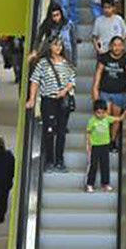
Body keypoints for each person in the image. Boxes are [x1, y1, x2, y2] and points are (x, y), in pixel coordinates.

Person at [26, 38, 75, 172]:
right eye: (55, 45)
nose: (58, 48)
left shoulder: (67, 64)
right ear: (50, 47)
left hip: (63, 102)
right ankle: (49, 160)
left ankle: (59, 160)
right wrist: (31, 99)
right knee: (49, 130)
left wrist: (64, 91)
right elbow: (35, 81)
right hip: (48, 101)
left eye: (60, 45)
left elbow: (72, 81)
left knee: (61, 131)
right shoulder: (43, 63)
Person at [93, 35, 126, 149]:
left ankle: (112, 140)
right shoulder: (104, 57)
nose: (117, 48)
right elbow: (99, 73)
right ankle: (104, 140)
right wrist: (95, 89)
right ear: (111, 46)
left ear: (123, 47)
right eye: (115, 45)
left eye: (120, 45)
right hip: (105, 92)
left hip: (119, 93)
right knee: (105, 116)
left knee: (116, 117)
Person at [85, 98, 126, 192]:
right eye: (98, 113)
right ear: (94, 112)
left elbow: (119, 119)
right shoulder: (91, 121)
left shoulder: (107, 118)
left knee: (105, 165)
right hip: (95, 146)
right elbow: (88, 133)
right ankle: (90, 184)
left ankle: (105, 183)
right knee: (93, 165)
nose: (100, 115)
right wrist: (88, 144)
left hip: (105, 145)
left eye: (102, 112)